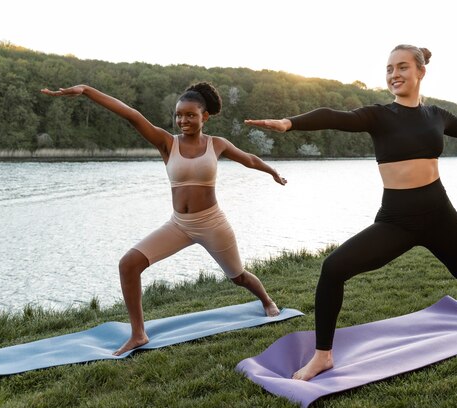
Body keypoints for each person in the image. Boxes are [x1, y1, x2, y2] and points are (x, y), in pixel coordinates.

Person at [245, 44, 457, 381]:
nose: (394, 75)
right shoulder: (378, 115)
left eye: (401, 67)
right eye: (389, 69)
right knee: (333, 268)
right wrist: (289, 123)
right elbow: (334, 116)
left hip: (439, 213)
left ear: (420, 72)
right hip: (396, 220)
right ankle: (323, 355)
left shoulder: (437, 116)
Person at [41, 82, 286, 356]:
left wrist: (271, 171)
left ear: (205, 117)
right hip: (179, 225)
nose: (183, 120)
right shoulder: (167, 142)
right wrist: (86, 91)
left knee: (238, 277)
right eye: (179, 115)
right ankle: (138, 334)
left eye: (190, 115)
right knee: (128, 265)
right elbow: (131, 114)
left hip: (213, 223)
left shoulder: (217, 144)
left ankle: (266, 300)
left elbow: (249, 159)